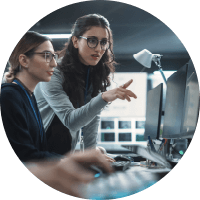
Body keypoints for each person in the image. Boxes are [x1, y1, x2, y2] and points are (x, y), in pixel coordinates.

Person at [2, 14, 137, 158]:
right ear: (76, 41)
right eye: (92, 41)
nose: (99, 48)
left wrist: (91, 156)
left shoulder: (93, 73)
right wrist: (103, 98)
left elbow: (92, 116)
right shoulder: (53, 72)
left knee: (100, 154)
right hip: (42, 153)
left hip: (61, 156)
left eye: (104, 42)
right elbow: (71, 121)